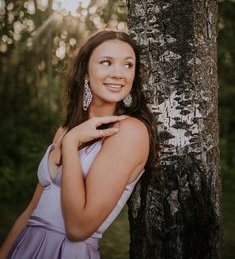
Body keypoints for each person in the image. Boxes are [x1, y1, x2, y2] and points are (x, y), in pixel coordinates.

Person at [0, 29, 157, 259]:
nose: (119, 74)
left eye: (128, 65)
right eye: (106, 62)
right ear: (85, 71)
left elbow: (78, 228)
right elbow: (31, 209)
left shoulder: (129, 132)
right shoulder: (63, 131)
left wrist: (72, 144)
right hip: (24, 248)